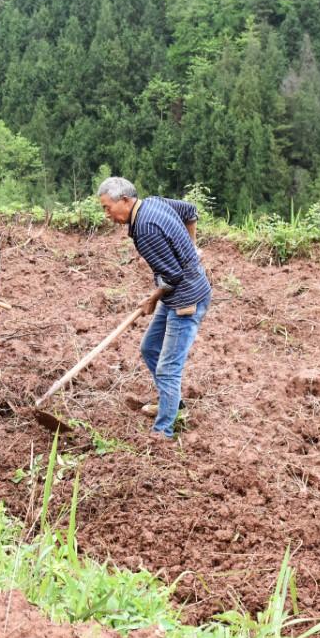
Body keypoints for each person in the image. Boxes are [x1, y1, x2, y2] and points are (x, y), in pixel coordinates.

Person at [97, 176, 210, 442]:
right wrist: (192, 248)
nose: (107, 215)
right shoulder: (154, 203)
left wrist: (152, 298)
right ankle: (173, 403)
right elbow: (190, 211)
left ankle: (163, 431)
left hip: (186, 300)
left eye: (107, 207)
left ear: (125, 200)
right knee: (149, 349)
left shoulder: (145, 229)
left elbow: (172, 276)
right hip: (176, 293)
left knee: (168, 369)